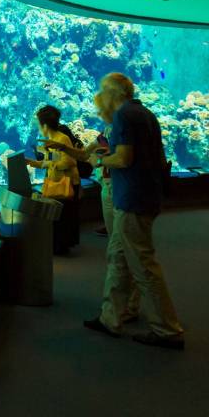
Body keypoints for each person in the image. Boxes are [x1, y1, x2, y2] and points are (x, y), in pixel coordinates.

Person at [86, 72, 183, 349]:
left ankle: (167, 329)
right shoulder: (144, 113)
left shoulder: (123, 116)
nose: (99, 97)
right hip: (142, 196)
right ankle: (113, 315)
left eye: (103, 91)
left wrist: (97, 160)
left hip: (133, 199)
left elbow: (125, 158)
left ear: (115, 93)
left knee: (142, 265)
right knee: (118, 256)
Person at [43, 92, 140, 322]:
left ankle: (127, 307)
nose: (99, 113)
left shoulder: (123, 130)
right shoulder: (106, 133)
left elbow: (122, 160)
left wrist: (100, 162)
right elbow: (84, 154)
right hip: (108, 189)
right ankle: (122, 307)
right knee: (116, 249)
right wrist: (63, 147)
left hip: (118, 189)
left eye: (102, 109)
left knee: (124, 250)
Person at [25, 105, 81, 254]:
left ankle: (62, 248)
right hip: (57, 182)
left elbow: (69, 162)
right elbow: (51, 160)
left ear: (44, 125)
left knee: (64, 218)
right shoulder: (51, 139)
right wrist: (32, 162)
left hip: (67, 183)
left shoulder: (62, 139)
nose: (38, 127)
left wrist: (50, 164)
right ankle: (58, 246)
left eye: (38, 124)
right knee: (59, 218)